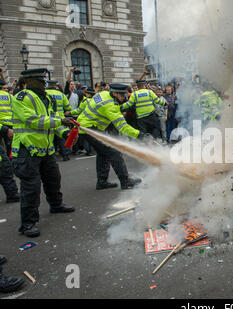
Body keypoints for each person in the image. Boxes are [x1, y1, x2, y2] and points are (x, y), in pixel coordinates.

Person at [11, 68, 76, 238]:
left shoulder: (46, 98)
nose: (44, 83)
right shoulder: (21, 97)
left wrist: (64, 132)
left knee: (53, 179)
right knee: (31, 188)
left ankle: (56, 205)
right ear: (29, 82)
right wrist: (60, 120)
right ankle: (28, 223)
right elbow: (33, 120)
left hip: (45, 149)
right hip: (27, 149)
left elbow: (52, 119)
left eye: (44, 80)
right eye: (40, 81)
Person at [76, 83, 146, 190]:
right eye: (122, 95)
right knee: (114, 151)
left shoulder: (104, 94)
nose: (124, 97)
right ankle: (125, 181)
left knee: (103, 153)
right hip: (89, 128)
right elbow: (122, 127)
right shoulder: (110, 106)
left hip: (85, 126)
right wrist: (139, 135)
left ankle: (102, 181)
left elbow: (108, 108)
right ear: (114, 93)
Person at [46, 80, 72, 161]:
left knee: (50, 139)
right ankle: (65, 155)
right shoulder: (61, 95)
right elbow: (68, 108)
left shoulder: (44, 93)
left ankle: (51, 156)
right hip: (61, 119)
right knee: (61, 139)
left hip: (48, 119)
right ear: (56, 86)